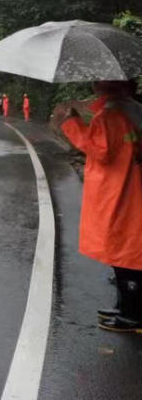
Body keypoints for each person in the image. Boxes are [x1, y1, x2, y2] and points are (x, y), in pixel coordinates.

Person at [54, 81, 142, 332]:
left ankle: (132, 315)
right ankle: (126, 306)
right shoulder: (132, 110)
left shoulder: (111, 115)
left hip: (115, 190)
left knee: (124, 251)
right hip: (129, 185)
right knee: (128, 247)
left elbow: (100, 150)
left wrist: (71, 124)